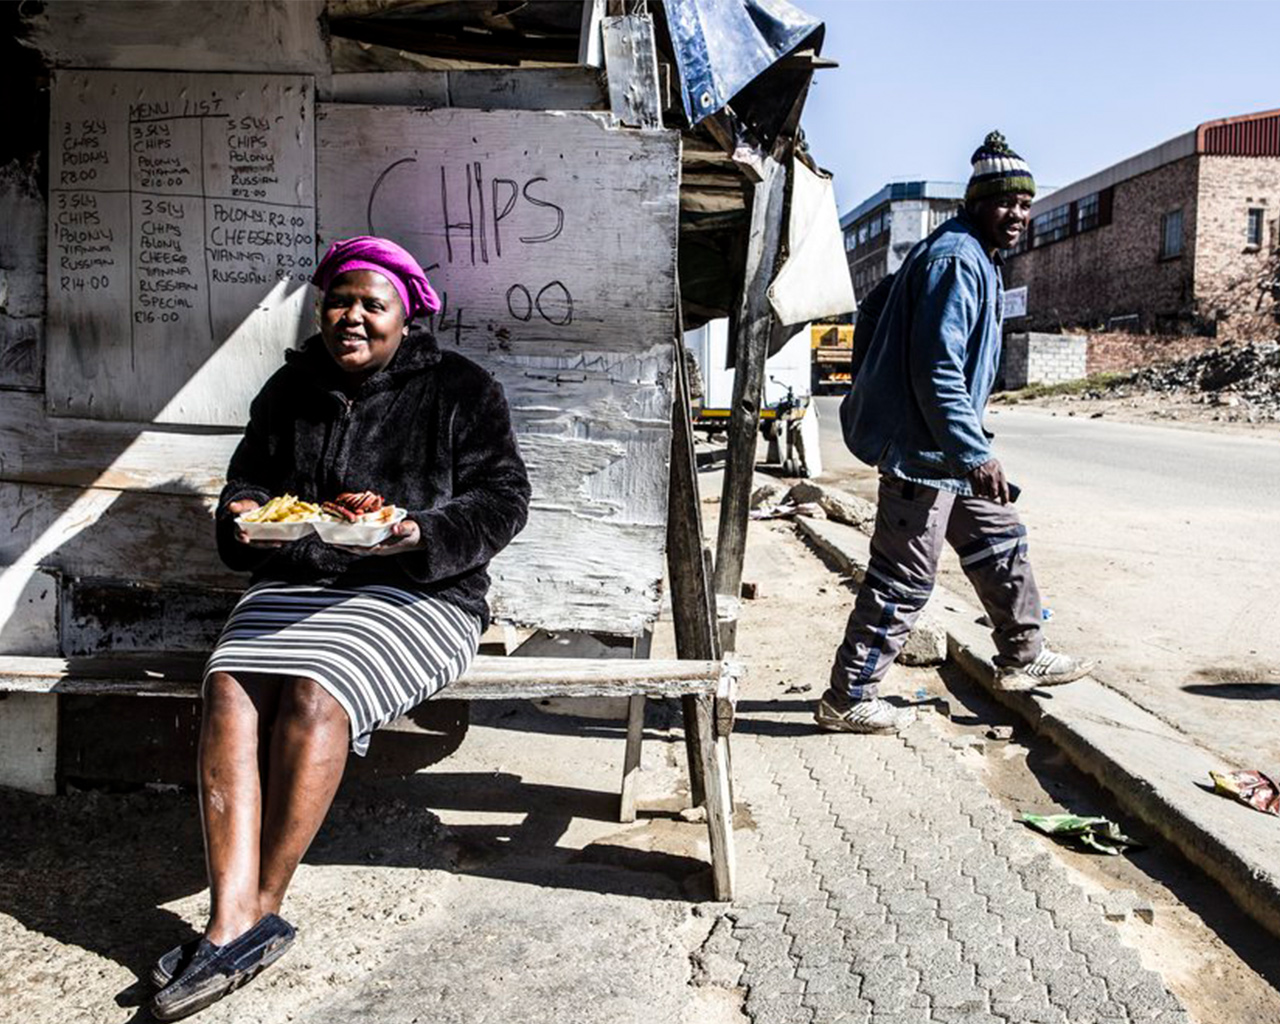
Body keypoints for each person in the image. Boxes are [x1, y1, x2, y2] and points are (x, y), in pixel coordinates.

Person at [149, 236, 531, 1020]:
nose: (351, 317)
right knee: (229, 684)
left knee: (319, 689)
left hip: (421, 595)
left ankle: (263, 900)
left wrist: (419, 531)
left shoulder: (459, 388)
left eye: (372, 305)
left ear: (406, 316)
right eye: (339, 301)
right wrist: (245, 512)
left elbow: (505, 497)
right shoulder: (291, 386)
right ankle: (233, 920)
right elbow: (251, 480)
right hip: (299, 580)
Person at [815, 132, 1093, 735]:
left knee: (1000, 537)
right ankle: (848, 695)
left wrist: (885, 389)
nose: (1017, 215)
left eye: (1025, 204)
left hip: (948, 448)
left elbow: (874, 311)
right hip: (926, 453)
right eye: (1004, 203)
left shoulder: (973, 256)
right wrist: (962, 445)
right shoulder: (956, 259)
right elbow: (935, 366)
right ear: (975, 203)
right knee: (904, 575)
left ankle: (1023, 655)